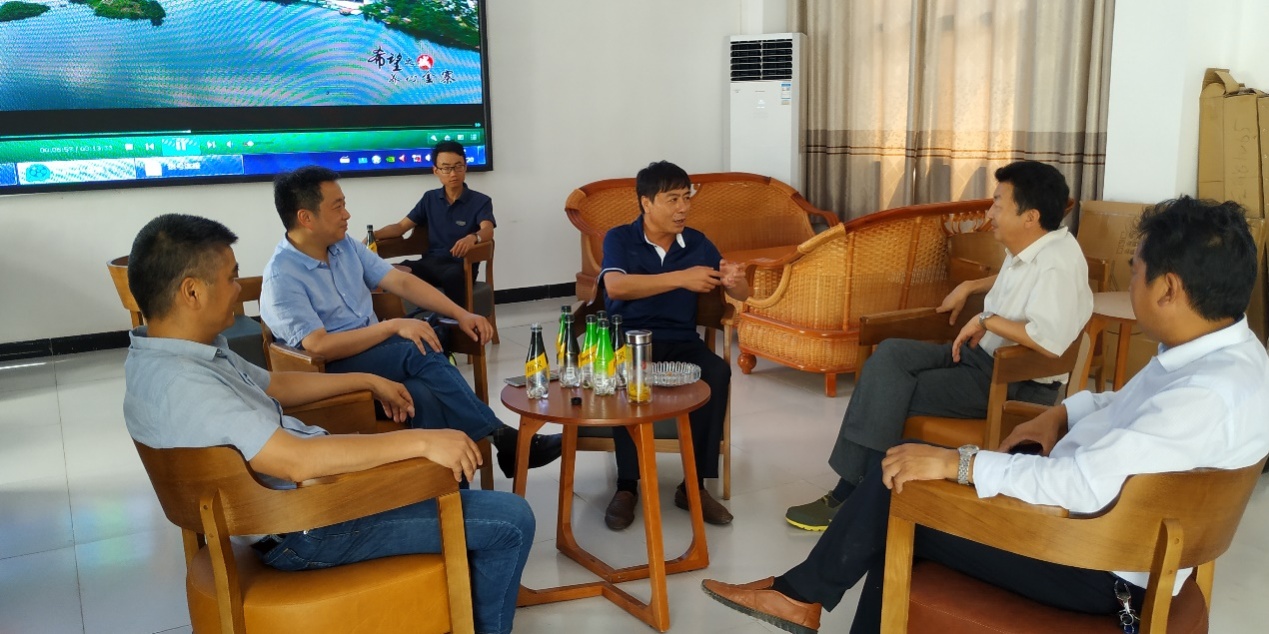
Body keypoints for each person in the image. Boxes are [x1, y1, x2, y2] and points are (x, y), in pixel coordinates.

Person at [701, 197, 1269, 634]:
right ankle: (802, 595)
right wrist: (1060, 415)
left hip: (1094, 556)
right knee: (906, 473)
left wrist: (961, 464)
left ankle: (800, 595)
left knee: (900, 487)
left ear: (1169, 288)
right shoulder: (1228, 359)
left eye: (1136, 270)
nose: (1131, 281)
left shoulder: (1201, 396)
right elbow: (1120, 406)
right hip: (1112, 533)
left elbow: (1079, 485)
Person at [122, 214, 535, 634]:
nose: (239, 289)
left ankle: (463, 601)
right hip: (305, 524)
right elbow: (296, 461)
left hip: (297, 506)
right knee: (511, 520)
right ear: (191, 291)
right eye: (231, 277)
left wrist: (367, 380)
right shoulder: (186, 384)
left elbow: (275, 384)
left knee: (437, 446)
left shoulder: (168, 356)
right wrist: (422, 443)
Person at [784, 160, 1093, 531]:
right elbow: (1022, 280)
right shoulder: (1035, 245)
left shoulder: (1058, 265)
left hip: (1011, 381)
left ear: (1030, 216)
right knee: (890, 355)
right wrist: (971, 286)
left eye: (998, 204)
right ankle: (859, 487)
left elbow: (1050, 341)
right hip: (980, 359)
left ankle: (853, 497)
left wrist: (986, 320)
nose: (989, 213)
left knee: (888, 391)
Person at [260, 165, 560, 479]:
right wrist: (392, 326)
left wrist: (462, 314)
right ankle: (502, 437)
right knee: (415, 347)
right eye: (337, 207)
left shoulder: (344, 246)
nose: (347, 214)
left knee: (420, 392)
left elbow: (400, 282)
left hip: (375, 355)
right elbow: (318, 346)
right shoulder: (283, 276)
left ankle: (446, 488)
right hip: (330, 370)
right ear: (306, 218)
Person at [597, 160, 751, 530]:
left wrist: (735, 281)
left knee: (717, 372)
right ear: (646, 202)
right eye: (673, 199)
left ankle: (694, 485)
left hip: (680, 339)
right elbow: (616, 287)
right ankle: (627, 486)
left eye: (686, 198)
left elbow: (742, 294)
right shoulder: (620, 238)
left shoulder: (697, 242)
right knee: (625, 375)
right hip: (629, 339)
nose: (683, 207)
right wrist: (681, 278)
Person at [373, 140, 493, 308]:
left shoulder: (480, 201)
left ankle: (458, 323)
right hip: (430, 263)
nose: (453, 173)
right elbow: (400, 227)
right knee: (392, 273)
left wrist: (473, 238)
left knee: (452, 277)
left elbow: (488, 230)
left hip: (461, 266)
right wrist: (372, 236)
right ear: (436, 171)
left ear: (465, 167)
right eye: (446, 168)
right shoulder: (430, 198)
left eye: (458, 166)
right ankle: (401, 320)